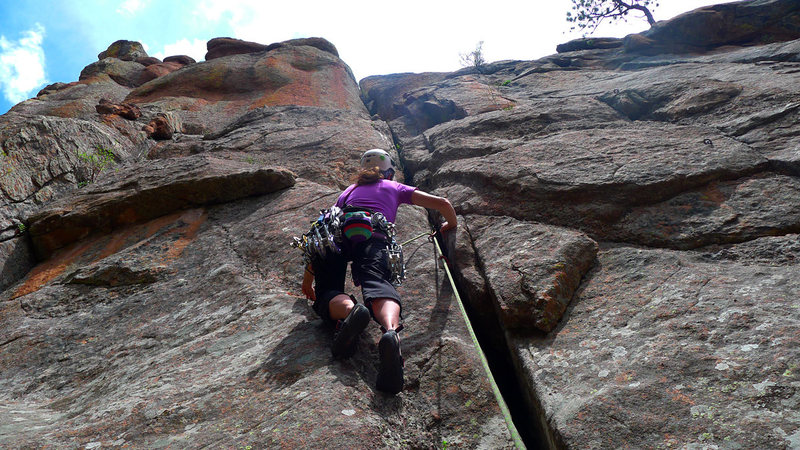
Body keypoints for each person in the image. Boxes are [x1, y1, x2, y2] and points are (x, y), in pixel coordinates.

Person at [301, 148, 457, 395]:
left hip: (337, 237)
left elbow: (323, 231)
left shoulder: (347, 192)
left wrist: (308, 279)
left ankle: (351, 312)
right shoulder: (393, 187)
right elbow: (443, 204)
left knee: (328, 290)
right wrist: (451, 224)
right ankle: (390, 333)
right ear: (390, 172)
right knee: (378, 283)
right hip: (374, 236)